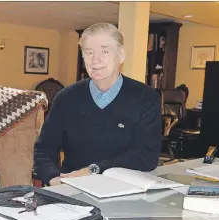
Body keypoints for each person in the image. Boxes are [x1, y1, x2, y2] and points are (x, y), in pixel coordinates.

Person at [33, 23, 161, 186]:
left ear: (121, 55)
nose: (95, 60)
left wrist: (94, 170)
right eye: (89, 52)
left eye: (104, 51)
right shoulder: (66, 98)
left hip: (124, 189)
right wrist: (53, 179)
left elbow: (147, 156)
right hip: (72, 186)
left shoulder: (146, 98)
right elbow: (44, 148)